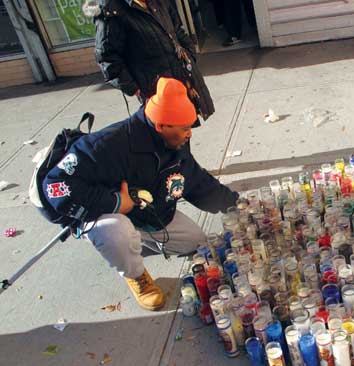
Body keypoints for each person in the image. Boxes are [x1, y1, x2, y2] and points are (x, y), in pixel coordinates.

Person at [42, 78, 239, 311]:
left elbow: (195, 179)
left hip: (151, 214)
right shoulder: (106, 145)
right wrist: (115, 202)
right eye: (185, 128)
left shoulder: (175, 142)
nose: (189, 134)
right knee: (116, 232)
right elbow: (55, 185)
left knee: (197, 243)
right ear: (161, 126)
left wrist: (236, 205)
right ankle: (135, 275)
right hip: (109, 215)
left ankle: (132, 243)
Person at [87, 0, 215, 122]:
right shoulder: (112, 9)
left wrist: (190, 54)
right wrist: (135, 88)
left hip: (181, 78)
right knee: (167, 136)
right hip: (154, 90)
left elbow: (177, 30)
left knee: (183, 129)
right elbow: (107, 57)